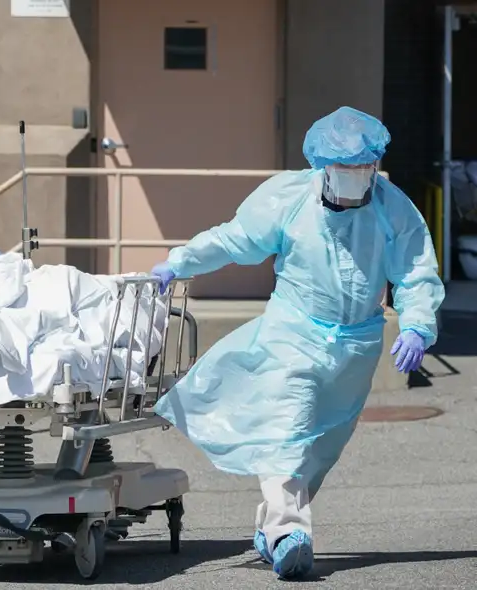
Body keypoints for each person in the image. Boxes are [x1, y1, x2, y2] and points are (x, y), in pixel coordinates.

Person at [149, 106, 444, 580]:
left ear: (374, 166)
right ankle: (291, 532)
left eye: (362, 168)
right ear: (322, 165)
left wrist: (416, 325)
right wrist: (181, 261)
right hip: (295, 333)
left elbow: (414, 272)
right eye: (343, 168)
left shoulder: (393, 207)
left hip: (357, 346)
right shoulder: (289, 198)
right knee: (289, 429)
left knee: (321, 448)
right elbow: (236, 239)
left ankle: (271, 530)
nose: (353, 176)